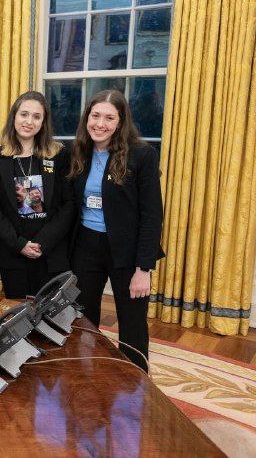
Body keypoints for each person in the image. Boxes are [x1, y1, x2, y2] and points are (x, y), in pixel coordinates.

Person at [69, 89, 163, 372]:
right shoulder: (78, 152)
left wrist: (144, 268)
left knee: (132, 323)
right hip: (86, 247)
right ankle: (85, 373)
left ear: (121, 122)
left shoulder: (142, 155)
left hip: (127, 251)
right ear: (87, 118)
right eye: (95, 116)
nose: (100, 124)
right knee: (83, 318)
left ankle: (135, 382)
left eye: (109, 118)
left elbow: (152, 215)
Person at [0, 91, 75, 299]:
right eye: (24, 114)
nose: (29, 121)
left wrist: (42, 242)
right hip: (13, 253)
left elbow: (68, 204)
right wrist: (20, 244)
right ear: (14, 117)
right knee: (17, 314)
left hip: (50, 253)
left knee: (50, 314)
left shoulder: (59, 155)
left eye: (36, 116)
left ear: (43, 122)